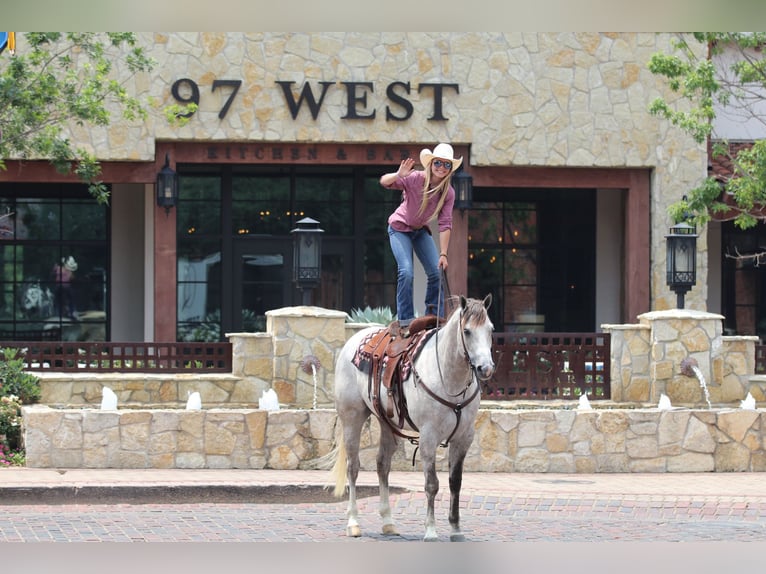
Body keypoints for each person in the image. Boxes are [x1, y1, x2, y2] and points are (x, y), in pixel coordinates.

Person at [380, 142, 461, 328]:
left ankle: (433, 318)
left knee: (436, 272)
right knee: (406, 272)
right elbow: (384, 181)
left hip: (419, 232)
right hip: (399, 229)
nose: (441, 167)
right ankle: (405, 321)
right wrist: (398, 175)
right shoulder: (416, 178)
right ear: (431, 163)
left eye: (446, 164)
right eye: (438, 163)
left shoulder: (447, 192)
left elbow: (445, 223)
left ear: (450, 169)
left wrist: (443, 254)